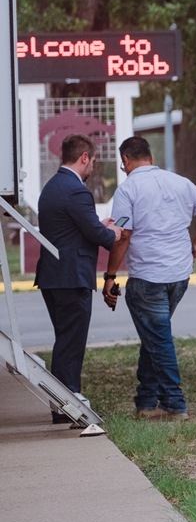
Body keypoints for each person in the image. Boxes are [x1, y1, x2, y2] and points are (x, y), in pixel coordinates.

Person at [103, 136, 196, 421]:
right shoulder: (179, 182)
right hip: (179, 274)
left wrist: (109, 275)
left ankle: (174, 403)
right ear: (151, 158)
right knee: (154, 334)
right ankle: (145, 400)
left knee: (159, 338)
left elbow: (123, 236)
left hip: (148, 276)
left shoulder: (128, 189)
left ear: (126, 161)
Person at [35, 135, 123, 424]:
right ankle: (68, 399)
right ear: (84, 157)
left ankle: (62, 403)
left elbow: (73, 228)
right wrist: (113, 234)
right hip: (71, 277)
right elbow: (99, 237)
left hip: (53, 275)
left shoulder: (52, 187)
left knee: (65, 340)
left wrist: (99, 226)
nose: (92, 167)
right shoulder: (76, 191)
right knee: (71, 343)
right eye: (93, 161)